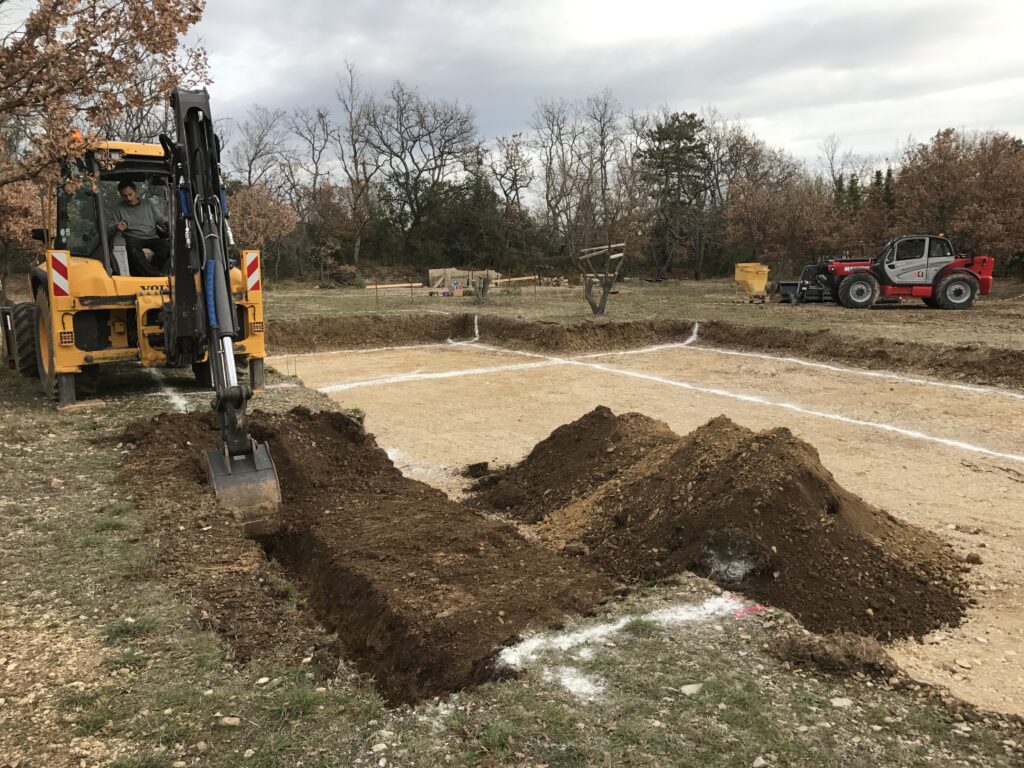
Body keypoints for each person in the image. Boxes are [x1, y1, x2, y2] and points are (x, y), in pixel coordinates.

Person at [113, 180, 170, 277]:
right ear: (121, 195)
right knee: (132, 248)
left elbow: (162, 219)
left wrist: (170, 226)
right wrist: (117, 226)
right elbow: (111, 225)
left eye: (130, 194)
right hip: (133, 238)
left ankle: (152, 272)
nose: (128, 198)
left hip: (151, 237)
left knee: (166, 246)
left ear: (136, 191)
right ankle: (154, 274)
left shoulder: (148, 205)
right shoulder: (118, 209)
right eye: (124, 196)